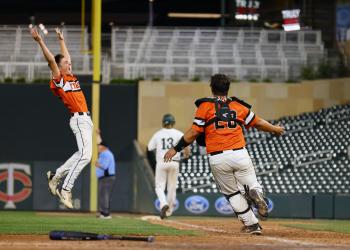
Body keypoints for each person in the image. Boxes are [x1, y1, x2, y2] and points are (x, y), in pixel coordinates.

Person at [164, 74, 285, 235]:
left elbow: (194, 132)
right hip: (240, 153)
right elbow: (258, 122)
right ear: (228, 88)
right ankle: (256, 193)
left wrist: (175, 148)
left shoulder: (205, 106)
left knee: (232, 193)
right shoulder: (237, 105)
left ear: (211, 88)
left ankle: (252, 225)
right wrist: (275, 129)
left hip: (218, 157)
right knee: (251, 183)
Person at [30, 27, 93, 209]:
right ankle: (65, 189)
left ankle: (55, 176)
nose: (69, 63)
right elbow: (51, 60)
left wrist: (61, 40)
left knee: (82, 155)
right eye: (65, 62)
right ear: (59, 66)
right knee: (86, 156)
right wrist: (40, 41)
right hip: (79, 120)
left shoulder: (70, 77)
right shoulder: (59, 79)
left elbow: (66, 57)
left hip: (86, 120)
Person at [147, 114, 190, 219]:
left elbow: (149, 147)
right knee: (172, 188)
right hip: (174, 162)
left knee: (159, 186)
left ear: (163, 122)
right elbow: (187, 148)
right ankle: (169, 211)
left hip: (162, 162)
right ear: (173, 122)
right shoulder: (178, 133)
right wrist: (185, 156)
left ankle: (163, 203)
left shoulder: (158, 134)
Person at [95, 129, 116, 219]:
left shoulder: (106, 154)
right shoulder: (104, 152)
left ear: (104, 147)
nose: (98, 147)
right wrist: (98, 134)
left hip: (107, 178)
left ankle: (106, 213)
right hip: (104, 178)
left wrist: (97, 164)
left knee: (105, 195)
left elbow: (105, 166)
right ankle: (103, 212)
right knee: (102, 195)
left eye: (100, 146)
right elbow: (99, 142)